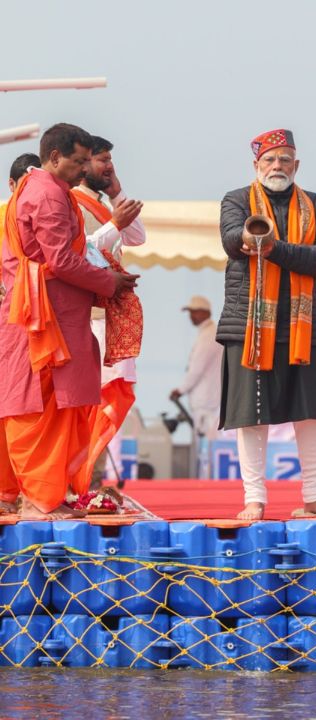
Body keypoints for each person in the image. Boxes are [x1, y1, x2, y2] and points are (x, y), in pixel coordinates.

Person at [0, 124, 139, 519]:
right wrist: (107, 282)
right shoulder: (47, 195)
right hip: (46, 319)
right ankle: (39, 501)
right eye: (78, 161)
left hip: (49, 314)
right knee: (38, 410)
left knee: (54, 408)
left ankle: (40, 495)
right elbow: (60, 260)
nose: (84, 169)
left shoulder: (47, 190)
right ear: (55, 157)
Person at [217, 129, 316, 520]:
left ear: (296, 165)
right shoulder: (237, 200)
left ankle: (314, 497)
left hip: (303, 325)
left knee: (311, 412)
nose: (277, 166)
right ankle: (254, 498)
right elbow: (231, 239)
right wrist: (257, 241)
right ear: (256, 166)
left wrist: (275, 249)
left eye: (285, 159)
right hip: (249, 325)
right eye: (270, 160)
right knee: (251, 415)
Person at [71, 135, 146, 484]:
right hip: (89, 317)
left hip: (109, 316)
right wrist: (113, 221)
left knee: (110, 401)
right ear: (84, 164)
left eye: (110, 159)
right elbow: (78, 251)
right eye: (102, 160)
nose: (109, 166)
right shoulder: (73, 202)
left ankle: (92, 481)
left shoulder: (103, 202)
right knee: (91, 403)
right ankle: (81, 481)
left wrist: (117, 194)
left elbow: (137, 238)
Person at [0, 153, 42, 513]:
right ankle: (18, 493)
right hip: (18, 322)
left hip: (21, 320)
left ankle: (13, 493)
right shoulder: (16, 215)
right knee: (19, 408)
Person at [171, 295, 223, 442]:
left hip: (206, 401)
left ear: (205, 313)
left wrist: (181, 390)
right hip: (207, 399)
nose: (191, 316)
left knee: (206, 445)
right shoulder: (208, 332)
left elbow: (196, 369)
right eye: (190, 312)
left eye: (195, 312)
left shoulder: (209, 335)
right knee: (205, 444)